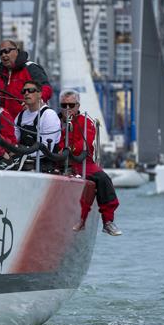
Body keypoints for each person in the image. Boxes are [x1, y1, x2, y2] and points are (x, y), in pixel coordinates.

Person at [58, 90, 122, 236]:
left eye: (71, 105)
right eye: (64, 105)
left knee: (103, 179)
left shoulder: (85, 122)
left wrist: (67, 150)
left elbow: (83, 144)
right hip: (60, 162)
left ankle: (108, 221)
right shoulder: (55, 121)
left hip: (83, 162)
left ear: (77, 105)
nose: (67, 108)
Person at [0, 40, 53, 118]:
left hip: (31, 120)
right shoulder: (0, 75)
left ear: (16, 51)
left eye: (6, 51)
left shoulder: (31, 68)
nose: (3, 55)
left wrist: (35, 104)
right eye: (0, 53)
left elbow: (46, 89)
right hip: (8, 124)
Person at [13, 80, 61, 169]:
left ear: (40, 94)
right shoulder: (20, 115)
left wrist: (19, 153)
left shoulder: (49, 115)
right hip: (22, 163)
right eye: (24, 91)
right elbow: (13, 140)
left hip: (44, 166)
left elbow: (46, 150)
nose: (26, 93)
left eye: (30, 90)